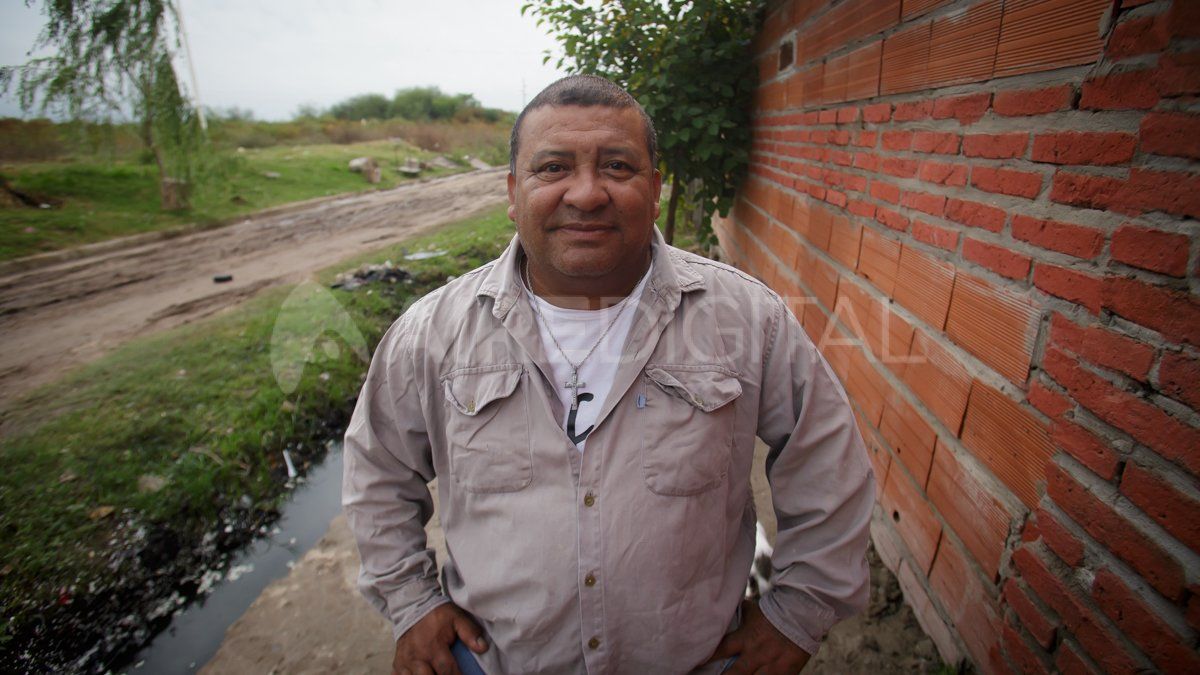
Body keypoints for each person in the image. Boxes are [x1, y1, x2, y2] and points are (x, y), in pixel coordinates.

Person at [343, 74, 875, 675]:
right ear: (513, 191)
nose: (587, 194)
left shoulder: (748, 320)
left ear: (654, 188)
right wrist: (412, 604)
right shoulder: (432, 333)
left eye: (617, 167)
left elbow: (827, 462)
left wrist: (798, 616)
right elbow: (379, 472)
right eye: (553, 168)